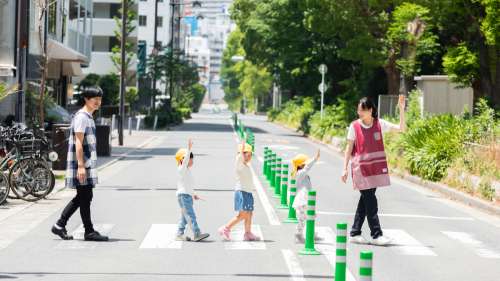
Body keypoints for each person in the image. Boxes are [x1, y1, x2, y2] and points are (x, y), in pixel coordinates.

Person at [341, 95, 405, 246]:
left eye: (362, 110)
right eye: (358, 111)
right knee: (371, 201)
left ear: (370, 110)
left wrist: (401, 109)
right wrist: (344, 169)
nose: (360, 113)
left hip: (375, 169)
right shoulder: (354, 126)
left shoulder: (379, 124)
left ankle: (355, 232)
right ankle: (376, 234)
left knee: (365, 200)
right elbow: (348, 148)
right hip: (360, 170)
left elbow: (401, 129)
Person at [51, 86, 108, 241]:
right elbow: (78, 142)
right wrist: (81, 166)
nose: (98, 102)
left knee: (84, 196)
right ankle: (86, 230)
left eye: (99, 99)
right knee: (84, 196)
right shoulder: (82, 117)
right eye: (94, 99)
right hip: (82, 164)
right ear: (86, 99)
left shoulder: (87, 116)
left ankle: (61, 225)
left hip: (86, 163)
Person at [218, 140, 260, 241]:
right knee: (243, 214)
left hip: (248, 193)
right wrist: (241, 150)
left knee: (249, 213)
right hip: (242, 193)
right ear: (242, 155)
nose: (249, 157)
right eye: (248, 155)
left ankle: (247, 233)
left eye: (250, 155)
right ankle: (226, 228)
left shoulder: (246, 166)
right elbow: (239, 158)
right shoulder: (239, 164)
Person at [175, 139, 210, 242]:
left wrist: (193, 194)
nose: (192, 161)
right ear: (183, 159)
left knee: (185, 217)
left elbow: (188, 185)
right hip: (184, 197)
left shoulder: (186, 171)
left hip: (187, 196)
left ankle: (179, 234)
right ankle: (197, 233)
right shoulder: (181, 168)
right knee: (190, 215)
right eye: (191, 159)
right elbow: (185, 160)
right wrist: (189, 149)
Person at [291, 149, 320, 243]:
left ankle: (312, 233)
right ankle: (298, 235)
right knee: (302, 218)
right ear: (300, 165)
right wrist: (314, 159)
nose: (305, 165)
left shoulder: (303, 174)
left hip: (306, 200)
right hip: (301, 202)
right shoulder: (299, 174)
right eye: (304, 163)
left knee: (311, 216)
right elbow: (307, 167)